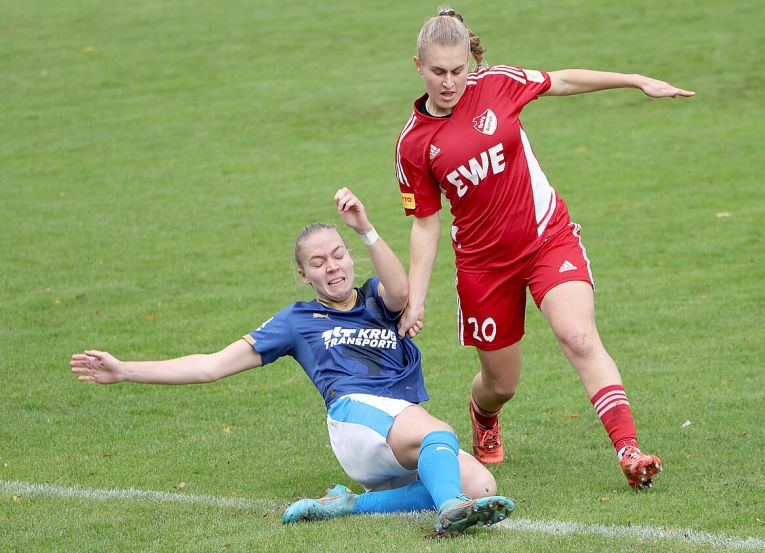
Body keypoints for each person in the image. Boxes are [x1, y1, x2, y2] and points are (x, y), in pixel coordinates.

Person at [69, 187, 515, 535]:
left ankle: (348, 506)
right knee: (440, 435)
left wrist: (366, 229)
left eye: (339, 255)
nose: (333, 267)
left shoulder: (375, 299)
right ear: (304, 276)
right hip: (356, 418)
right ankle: (451, 511)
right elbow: (211, 365)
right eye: (318, 263)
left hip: (399, 423)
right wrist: (126, 369)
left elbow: (402, 293)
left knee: (482, 487)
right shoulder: (296, 321)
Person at [394, 8, 694, 490]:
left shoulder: (498, 84)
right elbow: (426, 225)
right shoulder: (414, 145)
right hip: (483, 268)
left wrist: (636, 80)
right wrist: (417, 298)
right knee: (500, 384)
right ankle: (483, 416)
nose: (449, 82)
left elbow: (563, 81)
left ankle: (629, 451)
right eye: (437, 72)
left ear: (470, 63)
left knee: (578, 337)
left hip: (546, 238)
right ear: (418, 66)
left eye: (458, 70)